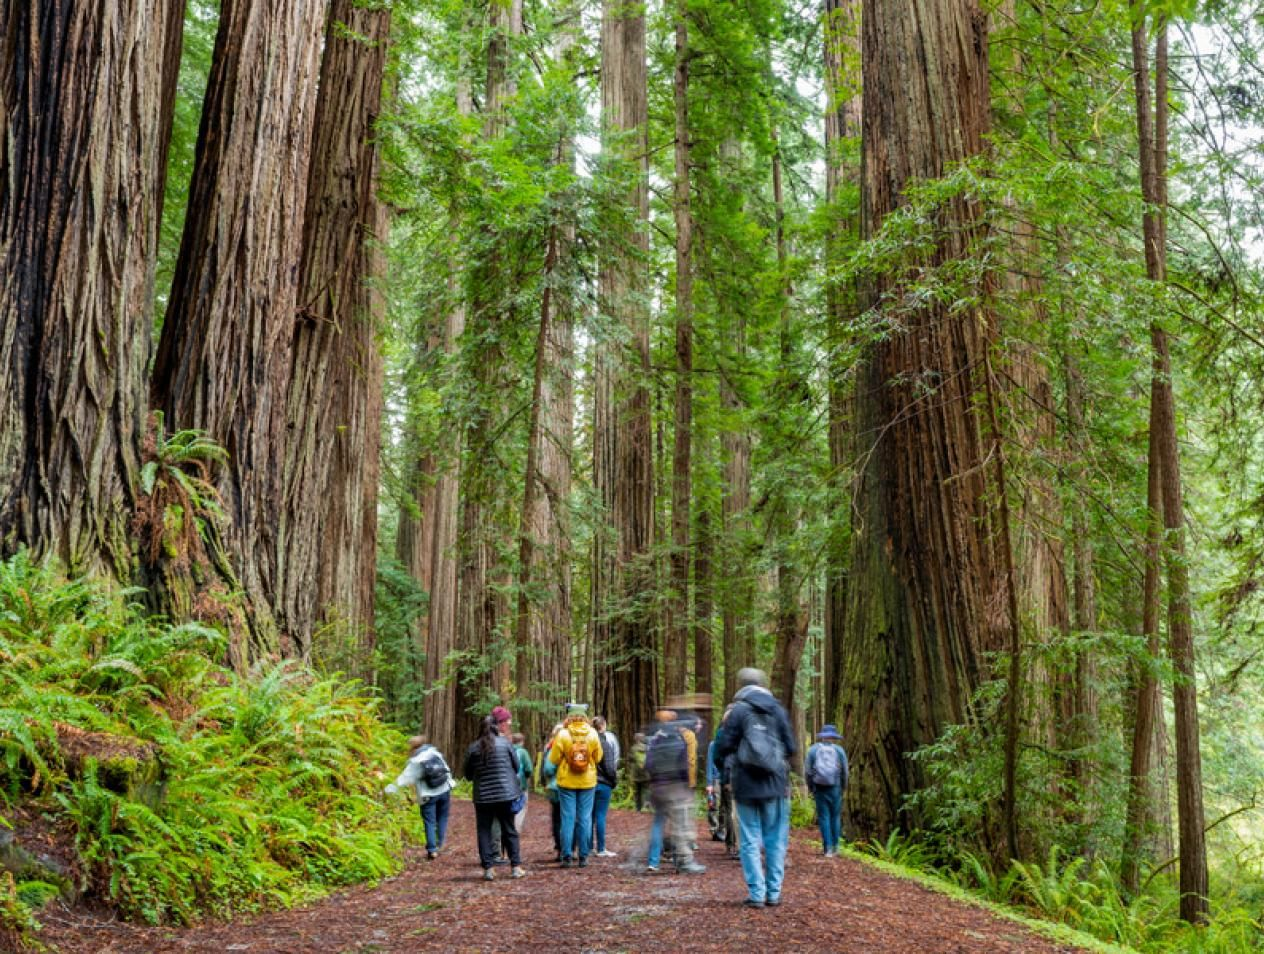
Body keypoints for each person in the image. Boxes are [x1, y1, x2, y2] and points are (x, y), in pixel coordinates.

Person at [714, 667, 796, 908]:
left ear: (742, 686)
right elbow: (791, 747)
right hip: (775, 784)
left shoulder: (738, 711)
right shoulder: (778, 710)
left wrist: (729, 770)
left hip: (746, 784)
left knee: (749, 840)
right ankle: (774, 892)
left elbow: (722, 747)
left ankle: (757, 894)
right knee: (775, 839)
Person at [463, 715, 527, 881]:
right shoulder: (505, 743)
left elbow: (468, 775)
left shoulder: (473, 748)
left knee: (484, 831)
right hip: (506, 795)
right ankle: (516, 867)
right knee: (509, 829)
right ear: (495, 727)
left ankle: (488, 869)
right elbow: (516, 766)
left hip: (483, 798)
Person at [644, 708, 705, 875]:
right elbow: (689, 762)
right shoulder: (682, 738)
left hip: (658, 788)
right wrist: (689, 784)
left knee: (658, 824)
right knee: (681, 825)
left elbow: (647, 764)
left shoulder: (656, 738)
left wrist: (654, 781)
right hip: (676, 787)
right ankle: (683, 862)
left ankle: (653, 861)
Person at [548, 702, 602, 868]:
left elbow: (554, 759)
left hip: (566, 782)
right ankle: (584, 856)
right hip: (588, 781)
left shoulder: (563, 734)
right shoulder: (592, 733)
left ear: (569, 716)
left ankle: (566, 856)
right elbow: (599, 757)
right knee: (585, 818)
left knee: (567, 819)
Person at [385, 735, 453, 861]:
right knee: (442, 818)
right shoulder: (435, 753)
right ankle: (439, 843)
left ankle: (432, 850)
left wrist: (388, 790)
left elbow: (404, 779)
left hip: (428, 795)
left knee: (429, 821)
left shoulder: (416, 761)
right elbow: (446, 770)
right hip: (444, 790)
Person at [805, 725, 849, 856]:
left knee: (824, 817)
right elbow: (845, 771)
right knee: (835, 817)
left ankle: (827, 849)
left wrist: (811, 787)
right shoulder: (839, 750)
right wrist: (843, 787)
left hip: (819, 787)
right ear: (834, 738)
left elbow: (807, 771)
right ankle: (836, 847)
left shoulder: (813, 750)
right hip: (835, 787)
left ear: (822, 737)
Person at [591, 716, 619, 858]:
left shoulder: (588, 742)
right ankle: (601, 848)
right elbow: (609, 767)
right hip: (603, 784)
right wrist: (614, 781)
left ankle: (588, 847)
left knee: (588, 816)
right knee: (600, 815)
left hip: (589, 783)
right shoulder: (604, 743)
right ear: (603, 726)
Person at [541, 724, 564, 860]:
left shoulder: (551, 747)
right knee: (571, 818)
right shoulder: (573, 745)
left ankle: (561, 849)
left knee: (557, 819)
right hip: (573, 786)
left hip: (555, 787)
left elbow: (548, 769)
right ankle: (570, 848)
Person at [511, 732, 532, 837]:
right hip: (521, 784)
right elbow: (528, 769)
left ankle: (509, 827)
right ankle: (516, 829)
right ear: (522, 742)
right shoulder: (523, 752)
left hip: (508, 785)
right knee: (521, 806)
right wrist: (527, 777)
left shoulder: (508, 749)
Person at [630, 732, 649, 812]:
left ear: (636, 739)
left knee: (637, 791)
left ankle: (638, 808)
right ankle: (646, 804)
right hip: (646, 774)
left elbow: (630, 759)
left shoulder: (633, 748)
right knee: (646, 789)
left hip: (636, 774)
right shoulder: (647, 748)